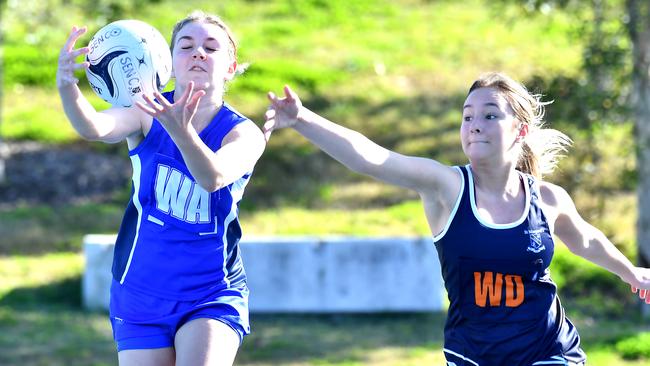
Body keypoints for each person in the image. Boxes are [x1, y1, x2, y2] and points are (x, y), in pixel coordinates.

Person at [264, 72, 650, 366]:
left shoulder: (546, 199)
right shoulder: (446, 187)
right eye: (467, 117)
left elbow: (584, 239)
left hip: (548, 349)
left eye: (489, 114)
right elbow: (372, 158)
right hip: (474, 353)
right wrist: (302, 120)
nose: (474, 124)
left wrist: (630, 272)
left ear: (521, 130)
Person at [57, 10, 265, 366]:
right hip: (140, 291)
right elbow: (94, 127)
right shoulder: (145, 112)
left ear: (230, 68)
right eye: (186, 45)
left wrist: (182, 133)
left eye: (211, 47)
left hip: (211, 291)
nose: (198, 52)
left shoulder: (243, 133)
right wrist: (67, 87)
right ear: (167, 60)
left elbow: (213, 176)